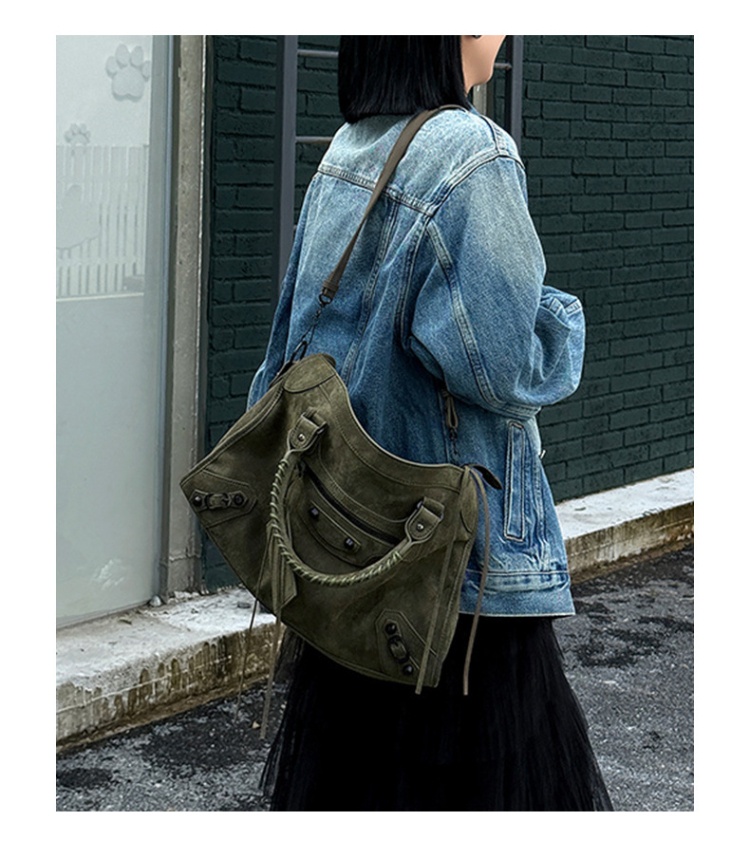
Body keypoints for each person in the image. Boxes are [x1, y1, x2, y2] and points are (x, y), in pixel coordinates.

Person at [246, 35, 613, 812]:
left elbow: (288, 347)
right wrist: (559, 320)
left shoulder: (347, 148)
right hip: (451, 559)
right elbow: (503, 368)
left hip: (349, 542)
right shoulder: (475, 152)